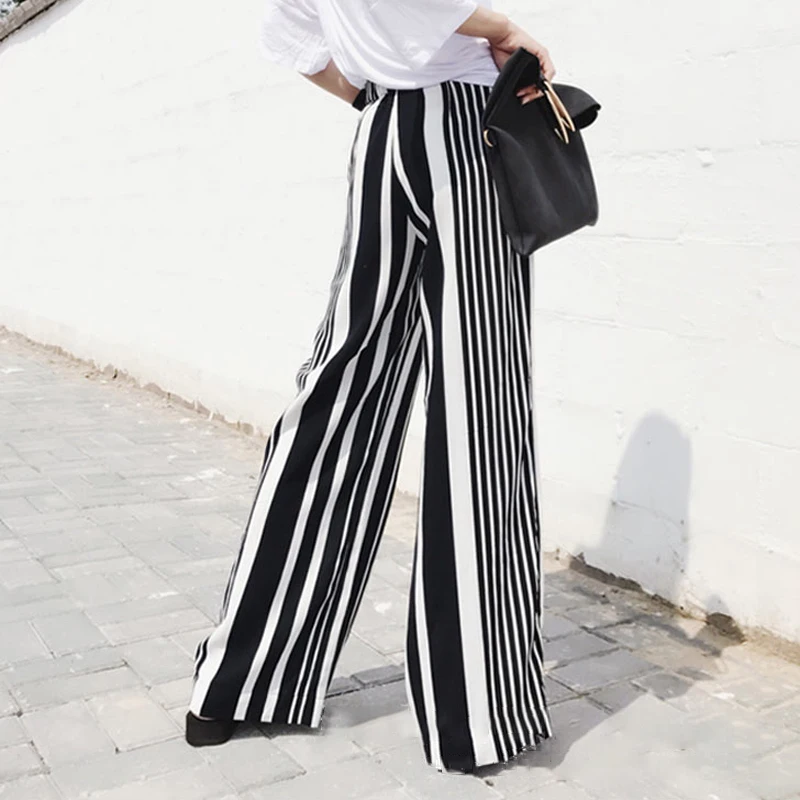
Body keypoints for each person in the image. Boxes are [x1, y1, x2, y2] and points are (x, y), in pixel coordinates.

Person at [186, 0, 556, 774]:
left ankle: (240, 681)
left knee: (339, 392)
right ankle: (474, 710)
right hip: (466, 131)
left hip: (384, 133)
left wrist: (375, 93)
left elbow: (290, 33)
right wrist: (502, 30)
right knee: (480, 401)